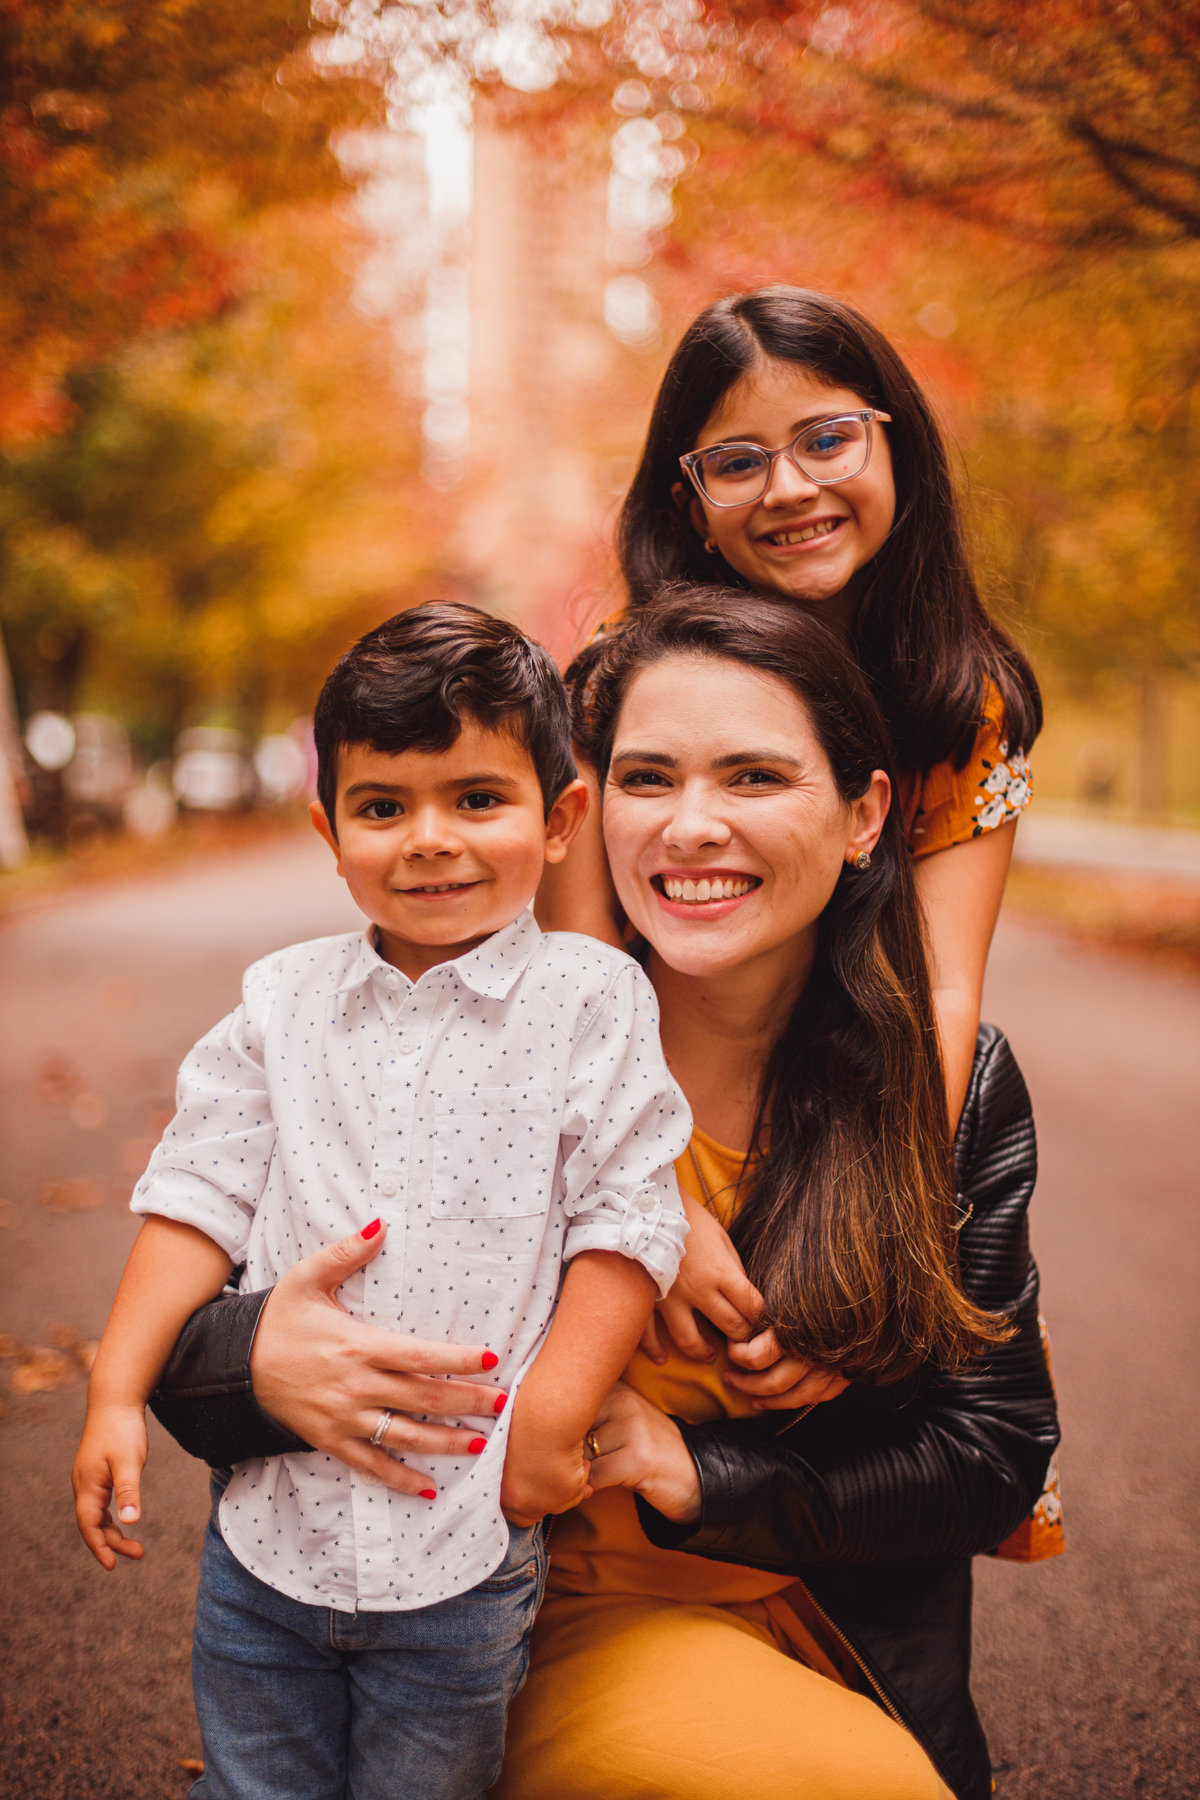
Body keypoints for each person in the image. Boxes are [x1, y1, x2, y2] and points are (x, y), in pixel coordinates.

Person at [149, 594, 1060, 1800]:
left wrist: (691, 1469)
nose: (692, 827)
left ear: (863, 814)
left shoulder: (943, 1083)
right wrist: (259, 1356)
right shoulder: (474, 1037)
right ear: (589, 812)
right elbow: (181, 1305)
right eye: (648, 777)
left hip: (835, 1620)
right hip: (522, 1614)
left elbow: (990, 1452)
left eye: (754, 777)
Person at [70, 602, 695, 1800]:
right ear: (329, 828)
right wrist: (114, 1387)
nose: (429, 841)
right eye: (382, 806)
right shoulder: (282, 1002)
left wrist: (548, 1426)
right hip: (268, 1543)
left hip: (463, 1544)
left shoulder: (590, 1001)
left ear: (561, 818)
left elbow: (629, 1218)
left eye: (477, 799)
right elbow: (196, 1193)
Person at [537, 285, 1042, 1130]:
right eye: (738, 463)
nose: (790, 488)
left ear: (898, 449)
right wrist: (649, 1199)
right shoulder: (613, 686)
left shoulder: (963, 705)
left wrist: (895, 1205)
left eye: (828, 441)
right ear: (691, 508)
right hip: (633, 1112)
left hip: (845, 1112)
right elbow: (581, 963)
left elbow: (943, 988)